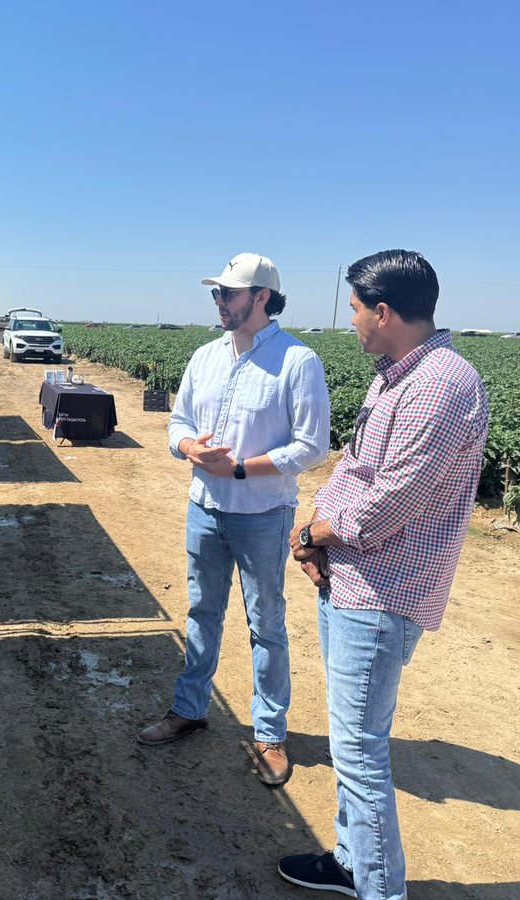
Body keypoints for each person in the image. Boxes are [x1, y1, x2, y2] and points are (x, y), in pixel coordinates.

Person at [280, 250, 489, 898]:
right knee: (352, 747)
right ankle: (352, 862)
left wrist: (316, 533)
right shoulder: (395, 377)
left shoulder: (441, 385)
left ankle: (379, 888)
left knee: (361, 755)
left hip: (381, 596)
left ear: (385, 311)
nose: (351, 322)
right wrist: (317, 534)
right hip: (353, 582)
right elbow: (355, 466)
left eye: (354, 310)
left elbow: (390, 500)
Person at [137, 252, 331, 787]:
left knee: (265, 624)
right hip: (204, 507)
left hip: (263, 514)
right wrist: (188, 449)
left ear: (261, 297)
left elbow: (312, 446)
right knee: (201, 611)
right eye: (216, 293)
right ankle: (190, 708)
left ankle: (269, 733)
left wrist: (242, 469)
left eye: (228, 293)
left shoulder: (297, 362)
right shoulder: (206, 357)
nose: (219, 302)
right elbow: (178, 420)